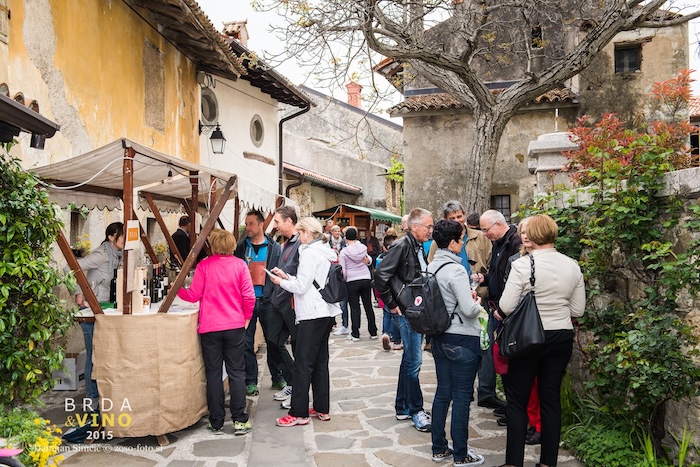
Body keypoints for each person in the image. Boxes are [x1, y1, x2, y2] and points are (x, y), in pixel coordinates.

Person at [495, 214, 585, 467]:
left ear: (532, 235)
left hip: (528, 336)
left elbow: (507, 305)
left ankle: (514, 462)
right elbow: (578, 310)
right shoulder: (572, 265)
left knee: (516, 400)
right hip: (561, 336)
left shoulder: (524, 265)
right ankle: (548, 463)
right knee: (550, 398)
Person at [177, 229, 255, 436]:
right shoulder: (240, 265)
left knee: (213, 374)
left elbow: (193, 295)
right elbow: (249, 296)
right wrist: (246, 318)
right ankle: (239, 420)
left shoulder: (204, 266)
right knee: (237, 372)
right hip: (235, 325)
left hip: (210, 328)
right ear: (231, 246)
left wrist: (176, 289)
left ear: (212, 246)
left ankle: (217, 421)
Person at [268, 217, 342, 427]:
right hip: (325, 312)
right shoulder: (324, 252)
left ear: (308, 233)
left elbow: (301, 287)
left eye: (300, 233)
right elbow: (307, 283)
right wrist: (287, 277)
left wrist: (280, 281)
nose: (298, 237)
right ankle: (321, 407)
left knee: (302, 364)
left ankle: (298, 413)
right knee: (320, 362)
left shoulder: (309, 253)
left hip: (311, 313)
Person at [428, 219, 485, 466]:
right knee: (462, 397)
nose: (462, 244)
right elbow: (469, 310)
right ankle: (461, 454)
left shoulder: (431, 266)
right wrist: (477, 303)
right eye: (461, 240)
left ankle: (439, 448)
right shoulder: (457, 269)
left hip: (439, 337)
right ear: (452, 242)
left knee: (442, 393)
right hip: (462, 337)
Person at [374, 208, 434, 433]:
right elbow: (380, 275)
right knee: (414, 362)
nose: (430, 230)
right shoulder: (402, 245)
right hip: (408, 311)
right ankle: (416, 409)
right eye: (427, 226)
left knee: (410, 360)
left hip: (414, 309)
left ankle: (402, 406)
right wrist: (392, 304)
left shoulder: (416, 245)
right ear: (414, 227)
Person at [70, 222, 124, 405]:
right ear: (111, 237)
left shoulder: (118, 255)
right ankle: (91, 398)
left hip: (104, 309)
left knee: (102, 353)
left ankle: (101, 395)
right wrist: (77, 291)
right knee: (93, 354)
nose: (125, 239)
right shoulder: (102, 254)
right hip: (90, 309)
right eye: (122, 235)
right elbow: (71, 266)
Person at [474, 209, 521, 414]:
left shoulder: (515, 242)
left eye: (486, 230)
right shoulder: (499, 242)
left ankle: (514, 406)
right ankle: (511, 405)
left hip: (509, 311)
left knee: (509, 360)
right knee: (500, 357)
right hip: (497, 308)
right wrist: (484, 279)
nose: (484, 234)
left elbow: (513, 279)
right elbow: (498, 272)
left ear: (499, 225)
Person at [234, 210, 285, 396]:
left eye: (251, 224)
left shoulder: (274, 248)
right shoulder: (240, 248)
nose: (247, 227)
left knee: (273, 340)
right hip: (246, 302)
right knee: (246, 343)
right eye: (246, 224)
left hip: (268, 301)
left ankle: (277, 377)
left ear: (261, 225)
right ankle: (250, 381)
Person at [268, 206, 302, 408]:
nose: (275, 226)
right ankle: (292, 381)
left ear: (289, 221)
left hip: (292, 302)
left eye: (278, 222)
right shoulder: (284, 244)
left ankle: (297, 387)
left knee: (297, 347)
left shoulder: (300, 244)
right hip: (277, 300)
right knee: (273, 342)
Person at [339, 227, 377, 341]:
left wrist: (345, 278)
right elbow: (367, 259)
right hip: (365, 277)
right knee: (368, 305)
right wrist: (369, 261)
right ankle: (373, 331)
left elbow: (343, 269)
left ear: (346, 238)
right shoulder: (362, 247)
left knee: (354, 307)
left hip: (352, 279)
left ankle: (355, 333)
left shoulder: (344, 252)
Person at [378, 234, 402, 351]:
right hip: (395, 291)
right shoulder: (396, 259)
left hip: (384, 291)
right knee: (396, 315)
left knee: (386, 314)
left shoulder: (380, 258)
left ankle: (385, 333)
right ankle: (397, 340)